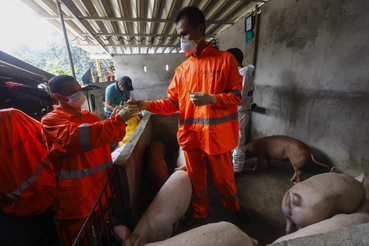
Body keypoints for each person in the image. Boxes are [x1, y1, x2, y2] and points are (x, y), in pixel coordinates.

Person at [128, 6, 249, 227]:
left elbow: (236, 96)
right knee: (196, 179)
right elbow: (172, 103)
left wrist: (212, 99)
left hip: (217, 136)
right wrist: (145, 104)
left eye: (185, 34)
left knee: (224, 179)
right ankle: (200, 212)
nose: (181, 40)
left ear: (200, 29)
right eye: (179, 36)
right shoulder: (182, 70)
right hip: (191, 136)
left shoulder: (226, 61)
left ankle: (234, 208)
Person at [41, 75, 138, 246]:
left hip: (101, 189)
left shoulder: (90, 117)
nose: (79, 93)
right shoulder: (51, 121)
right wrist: (115, 121)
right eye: (72, 91)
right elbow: (75, 139)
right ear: (57, 97)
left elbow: (115, 136)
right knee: (78, 238)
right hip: (76, 195)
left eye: (79, 89)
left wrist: (119, 121)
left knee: (105, 232)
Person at [0, 108, 58, 246]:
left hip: (48, 194)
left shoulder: (11, 117)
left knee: (54, 235)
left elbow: (47, 137)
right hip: (15, 211)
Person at [226, 48, 255, 178]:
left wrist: (221, 99)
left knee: (238, 142)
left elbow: (239, 98)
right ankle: (233, 165)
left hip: (239, 112)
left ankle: (237, 169)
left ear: (233, 59)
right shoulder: (236, 73)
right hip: (232, 112)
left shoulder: (245, 75)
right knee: (231, 141)